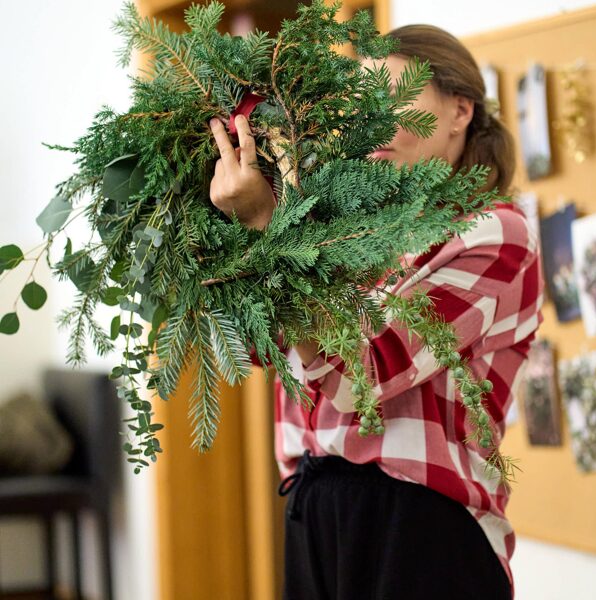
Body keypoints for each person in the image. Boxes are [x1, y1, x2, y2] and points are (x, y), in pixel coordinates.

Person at [208, 24, 543, 600]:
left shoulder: (496, 234)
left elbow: (366, 373)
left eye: (396, 98)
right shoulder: (346, 228)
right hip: (315, 508)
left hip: (421, 525)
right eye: (362, 106)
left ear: (460, 110)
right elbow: (256, 346)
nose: (373, 123)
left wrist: (267, 227)